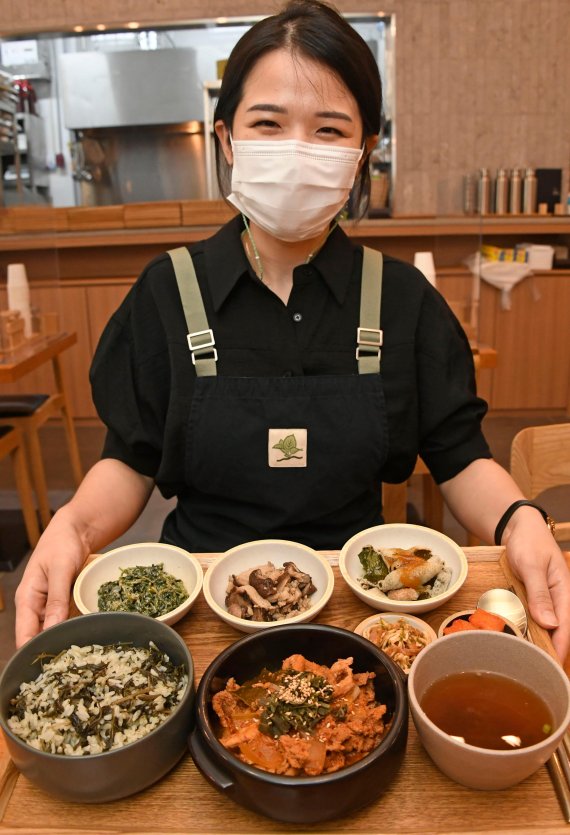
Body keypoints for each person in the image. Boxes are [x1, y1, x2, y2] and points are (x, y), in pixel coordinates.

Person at [15, 0, 570, 659]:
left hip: (360, 610)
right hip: (196, 609)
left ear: (364, 152)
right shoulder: (169, 290)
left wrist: (520, 520)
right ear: (226, 139)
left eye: (329, 130)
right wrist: (71, 529)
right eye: (268, 123)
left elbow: (460, 455)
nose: (296, 151)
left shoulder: (399, 300)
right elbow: (130, 459)